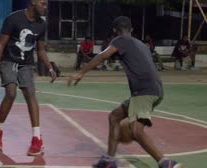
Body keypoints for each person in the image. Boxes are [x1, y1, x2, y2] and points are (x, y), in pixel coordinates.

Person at [68, 16, 182, 168]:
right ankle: (109, 160)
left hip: (144, 90)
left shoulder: (120, 40)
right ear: (132, 29)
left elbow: (103, 56)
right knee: (115, 116)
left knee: (136, 131)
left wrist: (81, 72)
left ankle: (165, 163)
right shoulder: (140, 44)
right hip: (155, 89)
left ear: (115, 31)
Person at [0, 0, 57, 156]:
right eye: (43, 4)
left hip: (26, 63)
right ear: (33, 2)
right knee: (11, 93)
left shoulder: (41, 24)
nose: (45, 7)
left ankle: (36, 139)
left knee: (30, 94)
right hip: (8, 60)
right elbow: (1, 45)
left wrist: (49, 67)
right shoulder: (13, 19)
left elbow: (40, 50)